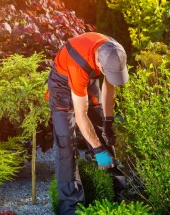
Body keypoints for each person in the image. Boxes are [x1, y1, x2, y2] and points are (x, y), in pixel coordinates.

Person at [47, 32, 128, 214]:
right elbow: (80, 115)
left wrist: (108, 121)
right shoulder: (78, 65)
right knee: (66, 141)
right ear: (99, 63)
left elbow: (109, 88)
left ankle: (117, 196)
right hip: (62, 84)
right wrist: (98, 150)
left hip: (87, 78)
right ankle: (71, 207)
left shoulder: (113, 51)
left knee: (101, 131)